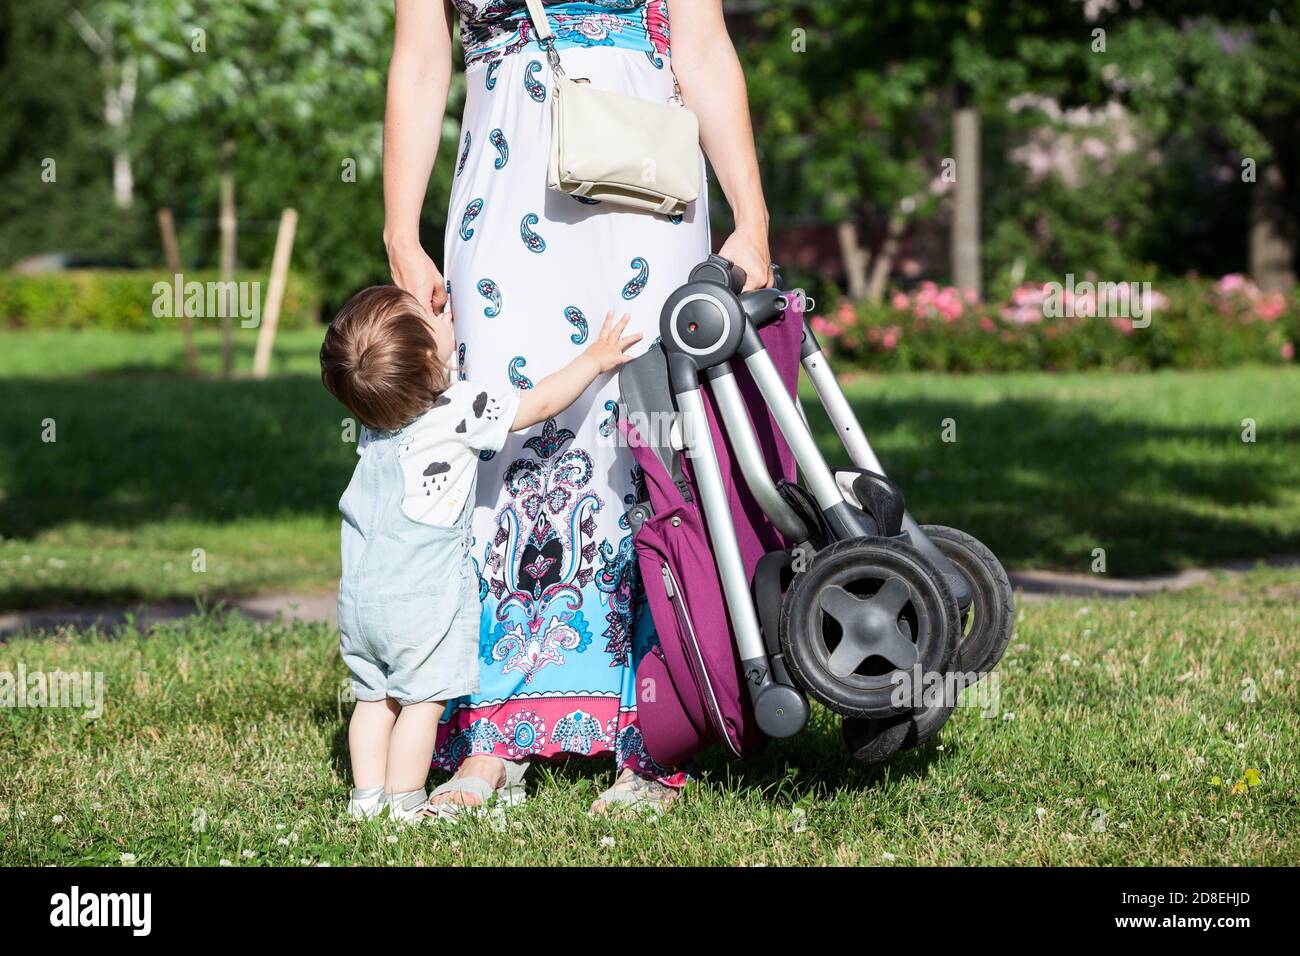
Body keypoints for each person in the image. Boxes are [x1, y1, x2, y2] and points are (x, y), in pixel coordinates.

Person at [382, 0, 774, 813]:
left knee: (650, 435)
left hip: (649, 193)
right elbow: (422, 63)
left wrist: (754, 216)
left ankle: (659, 730)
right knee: (504, 434)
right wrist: (399, 232)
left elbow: (701, 45)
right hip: (500, 186)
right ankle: (494, 733)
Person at [320, 284, 641, 819]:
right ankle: (404, 802)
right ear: (429, 357)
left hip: (360, 598)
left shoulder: (374, 428)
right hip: (420, 604)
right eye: (430, 318)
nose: (443, 313)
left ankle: (365, 800)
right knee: (422, 703)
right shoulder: (457, 407)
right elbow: (536, 405)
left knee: (374, 701)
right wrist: (593, 358)